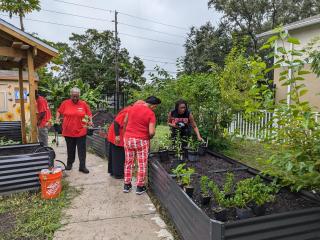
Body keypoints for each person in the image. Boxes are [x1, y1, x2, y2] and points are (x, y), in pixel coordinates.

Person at [123, 96, 161, 195]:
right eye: (155, 107)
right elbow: (151, 132)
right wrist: (149, 137)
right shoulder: (150, 113)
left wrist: (126, 134)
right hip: (141, 140)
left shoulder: (132, 108)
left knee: (128, 162)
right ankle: (140, 187)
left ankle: (127, 185)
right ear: (153, 105)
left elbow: (125, 122)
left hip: (128, 139)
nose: (155, 109)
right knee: (142, 164)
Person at [56, 87, 93, 174]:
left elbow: (89, 114)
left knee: (82, 150)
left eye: (77, 96)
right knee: (70, 149)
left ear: (79, 95)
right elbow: (59, 111)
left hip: (81, 131)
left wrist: (90, 121)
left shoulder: (83, 104)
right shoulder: (65, 103)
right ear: (71, 95)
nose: (75, 98)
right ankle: (69, 164)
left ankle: (82, 166)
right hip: (68, 131)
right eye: (73, 96)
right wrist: (57, 119)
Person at [107, 100, 145, 179]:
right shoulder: (128, 110)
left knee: (115, 154)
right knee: (118, 155)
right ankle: (118, 174)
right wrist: (117, 136)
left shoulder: (134, 111)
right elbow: (116, 123)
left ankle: (113, 171)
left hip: (121, 134)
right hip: (117, 134)